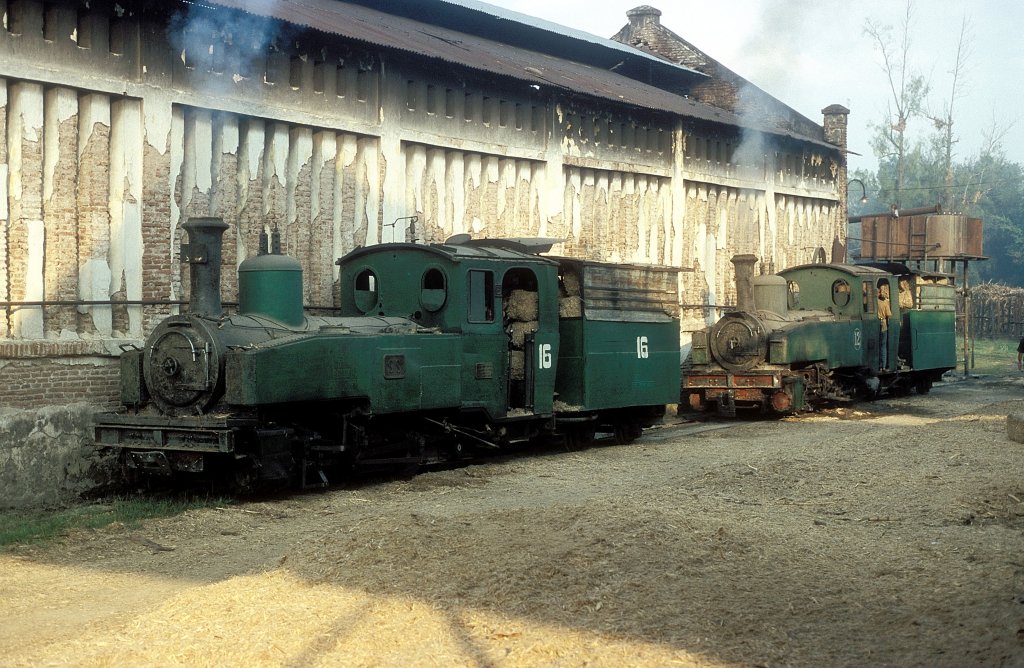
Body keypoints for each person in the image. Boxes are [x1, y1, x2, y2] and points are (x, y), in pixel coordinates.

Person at [877, 280, 892, 371]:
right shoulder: (885, 303)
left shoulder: (875, 302)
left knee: (878, 345)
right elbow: (889, 314)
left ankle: (878, 365)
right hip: (883, 324)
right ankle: (883, 365)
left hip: (876, 323)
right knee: (883, 346)